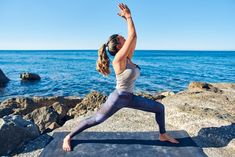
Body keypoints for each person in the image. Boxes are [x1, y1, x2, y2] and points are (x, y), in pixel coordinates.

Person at [63, 3, 179, 152]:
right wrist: (129, 16)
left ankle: (163, 135)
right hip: (117, 98)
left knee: (159, 108)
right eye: (122, 38)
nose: (125, 38)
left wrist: (127, 20)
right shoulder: (118, 60)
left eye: (124, 37)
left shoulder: (127, 58)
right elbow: (132, 36)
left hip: (130, 98)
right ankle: (69, 136)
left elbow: (134, 36)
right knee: (96, 120)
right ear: (118, 46)